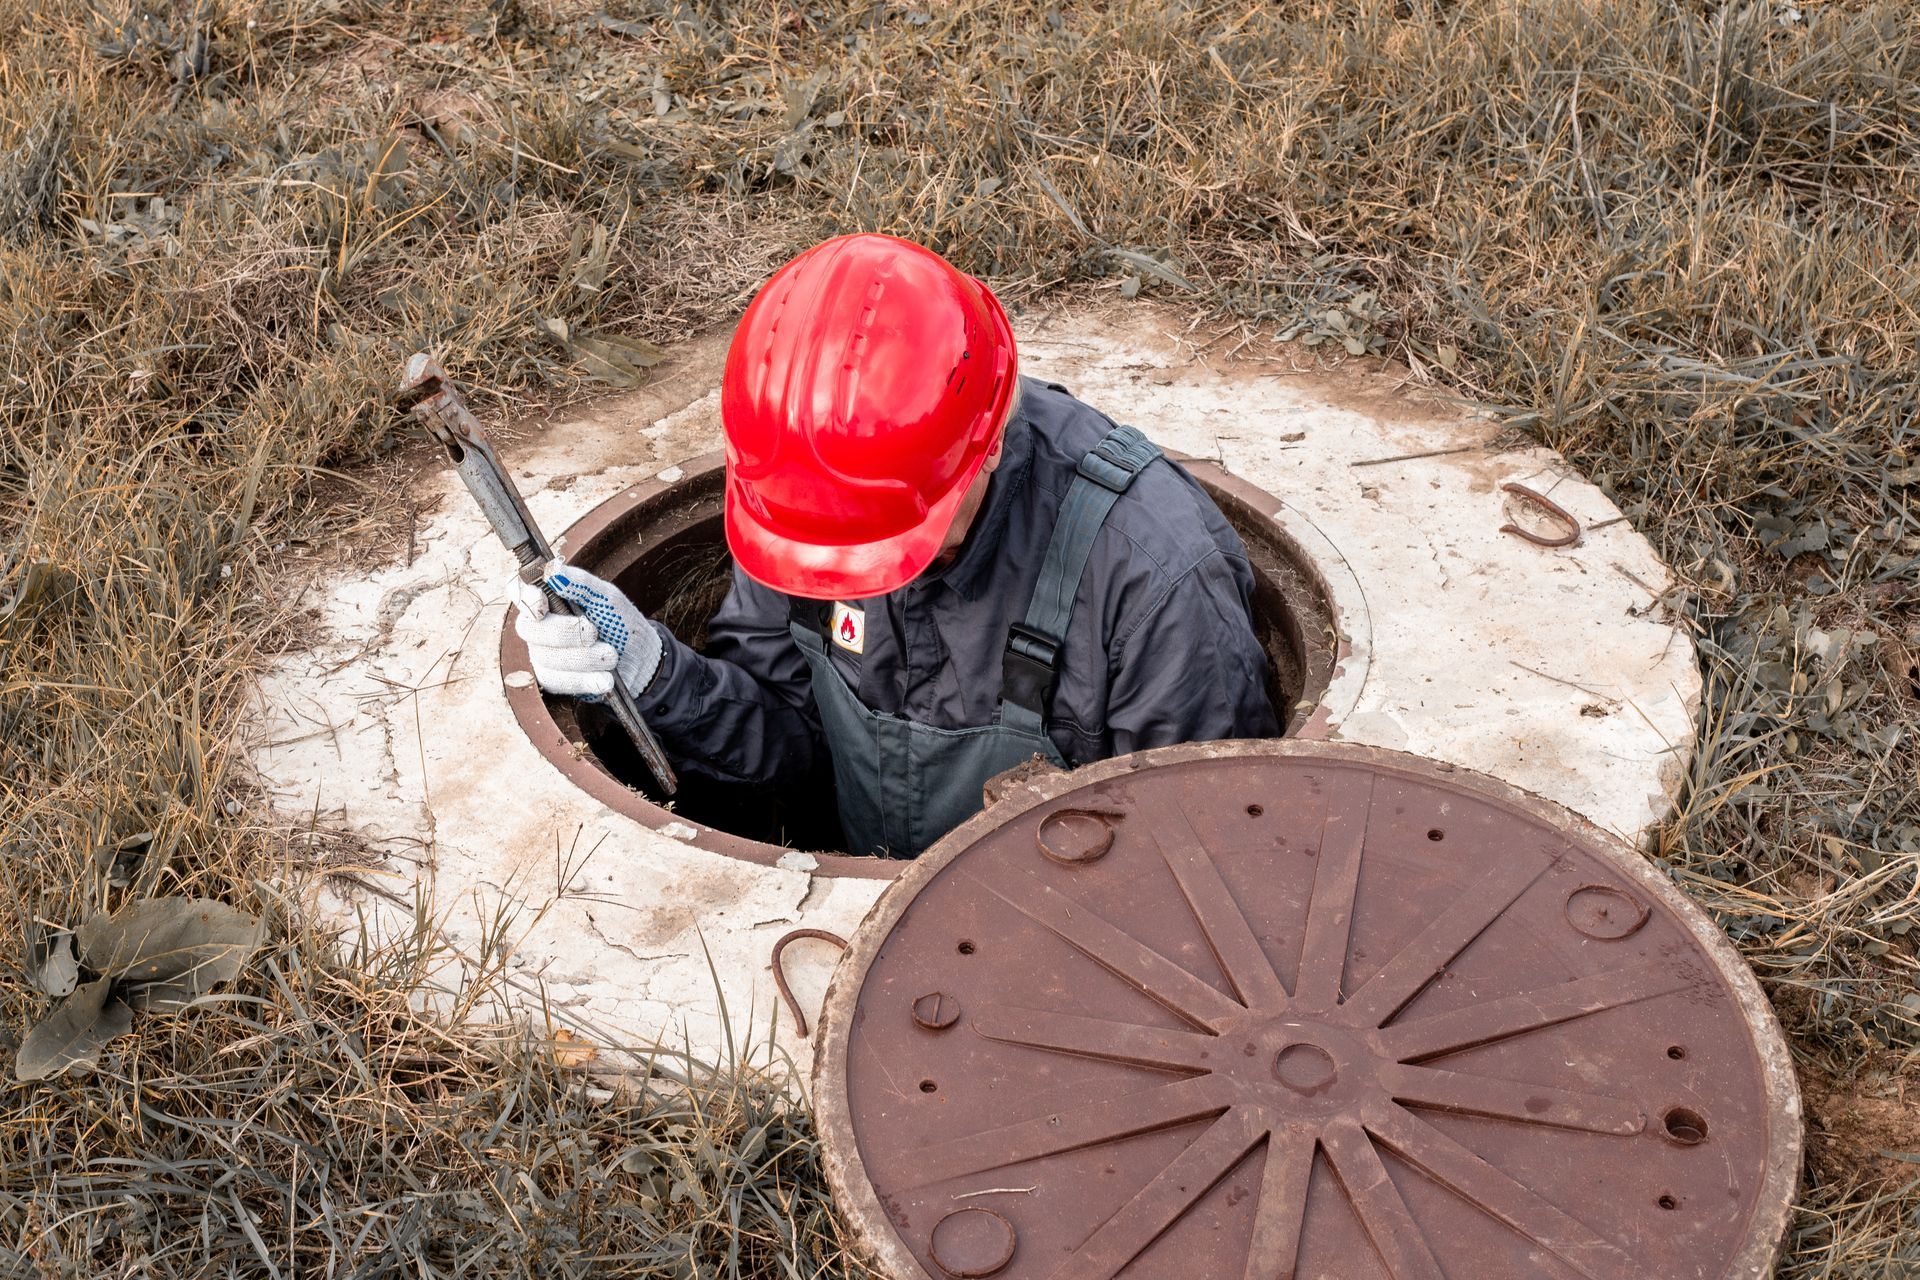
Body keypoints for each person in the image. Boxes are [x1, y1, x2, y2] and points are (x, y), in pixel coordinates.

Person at [514, 233, 1279, 858]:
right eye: (831, 549)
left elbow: (1204, 858)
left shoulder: (1153, 575)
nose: (853, 571)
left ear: (986, 447)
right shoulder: (809, 508)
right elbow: (790, 750)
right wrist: (653, 674)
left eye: (882, 542)